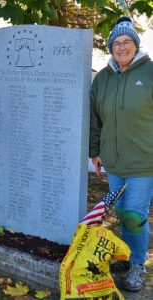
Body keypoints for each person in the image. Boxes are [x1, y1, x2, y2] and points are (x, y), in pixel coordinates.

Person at [89, 16, 153, 292]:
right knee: (121, 212)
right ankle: (127, 258)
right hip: (113, 162)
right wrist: (95, 151)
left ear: (135, 44)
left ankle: (137, 264)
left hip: (143, 162)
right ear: (110, 46)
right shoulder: (102, 79)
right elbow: (95, 119)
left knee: (134, 215)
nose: (122, 47)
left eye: (127, 41)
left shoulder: (149, 72)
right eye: (117, 42)